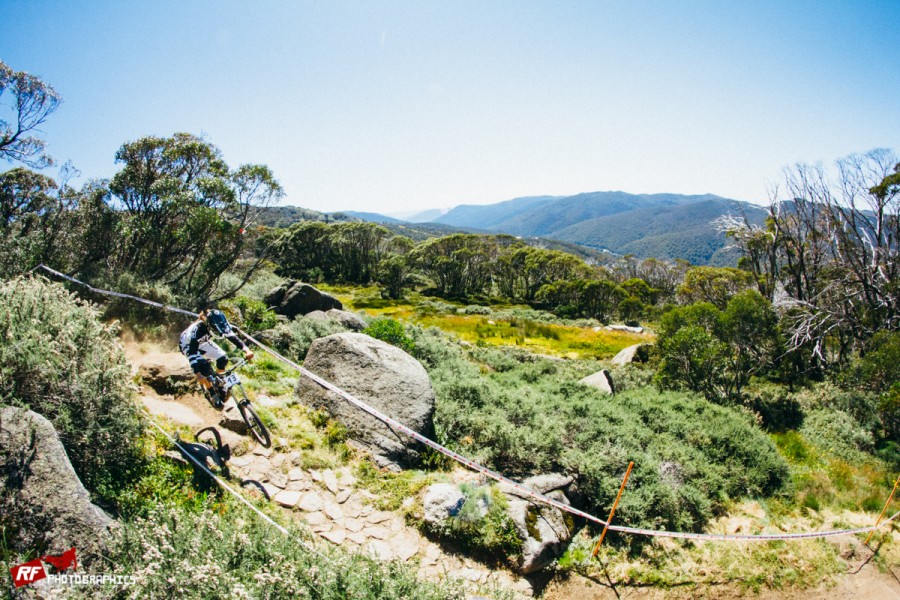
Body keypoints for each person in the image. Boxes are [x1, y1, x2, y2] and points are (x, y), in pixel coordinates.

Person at [179, 307, 254, 406]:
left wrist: (247, 350)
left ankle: (218, 384)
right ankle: (212, 393)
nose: (220, 334)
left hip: (203, 342)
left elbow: (233, 337)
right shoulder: (197, 331)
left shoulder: (220, 322)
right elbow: (192, 354)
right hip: (188, 345)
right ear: (209, 325)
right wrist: (198, 374)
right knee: (204, 368)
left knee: (223, 359)